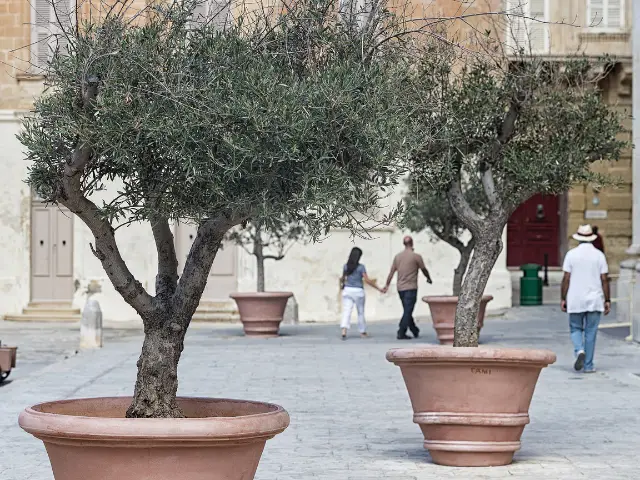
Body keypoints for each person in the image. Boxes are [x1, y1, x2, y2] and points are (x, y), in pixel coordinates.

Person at [561, 225, 610, 373]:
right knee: (591, 332)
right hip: (594, 299)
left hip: (575, 298)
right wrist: (607, 300)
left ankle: (579, 350)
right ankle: (588, 365)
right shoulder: (599, 255)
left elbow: (566, 278)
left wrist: (563, 298)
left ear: (578, 238)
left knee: (575, 328)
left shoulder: (571, 255)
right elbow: (604, 279)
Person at [382, 236, 432, 340]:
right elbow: (424, 269)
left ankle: (414, 330)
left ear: (403, 244)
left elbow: (391, 272)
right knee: (408, 310)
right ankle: (401, 332)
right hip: (411, 287)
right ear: (412, 243)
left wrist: (387, 285)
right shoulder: (416, 256)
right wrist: (429, 278)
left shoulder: (398, 257)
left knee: (407, 310)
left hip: (400, 288)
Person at [340, 247, 382, 340]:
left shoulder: (346, 266)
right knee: (360, 312)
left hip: (347, 290)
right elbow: (367, 280)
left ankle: (344, 331)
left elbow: (343, 278)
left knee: (346, 311)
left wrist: (342, 286)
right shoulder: (361, 267)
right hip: (358, 291)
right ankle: (362, 332)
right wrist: (378, 288)